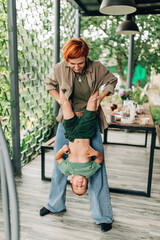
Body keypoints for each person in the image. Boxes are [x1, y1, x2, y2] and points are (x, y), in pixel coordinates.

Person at [40, 38, 117, 232]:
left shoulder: (96, 67)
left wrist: (100, 97)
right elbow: (49, 83)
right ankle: (54, 204)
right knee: (60, 166)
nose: (76, 67)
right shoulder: (60, 68)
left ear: (86, 57)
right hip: (68, 120)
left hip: (89, 119)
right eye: (71, 64)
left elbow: (111, 80)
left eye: (80, 63)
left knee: (97, 169)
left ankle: (102, 215)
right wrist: (61, 99)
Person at [56, 89, 104, 195]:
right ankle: (95, 80)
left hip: (71, 133)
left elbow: (58, 158)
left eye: (76, 186)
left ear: (71, 181)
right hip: (86, 133)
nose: (79, 183)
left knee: (65, 104)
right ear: (87, 181)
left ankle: (62, 79)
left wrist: (62, 150)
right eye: (82, 186)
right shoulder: (90, 171)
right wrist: (94, 153)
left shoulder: (67, 170)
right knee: (92, 102)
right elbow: (100, 158)